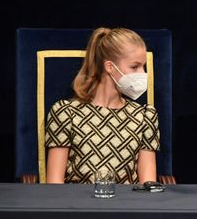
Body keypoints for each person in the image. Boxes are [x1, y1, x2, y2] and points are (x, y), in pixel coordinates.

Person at [45, 27, 160, 184]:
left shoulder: (145, 116)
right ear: (110, 67)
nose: (142, 73)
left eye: (143, 66)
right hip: (77, 205)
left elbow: (148, 185)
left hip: (127, 206)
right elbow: (54, 186)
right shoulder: (66, 113)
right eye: (135, 67)